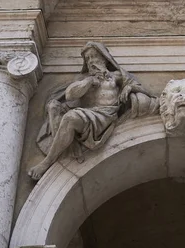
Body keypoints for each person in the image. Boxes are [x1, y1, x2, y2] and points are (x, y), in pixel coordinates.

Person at [30, 42, 158, 180]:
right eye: (88, 58)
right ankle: (48, 161)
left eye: (94, 57)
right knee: (66, 114)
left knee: (71, 117)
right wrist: (89, 81)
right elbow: (70, 95)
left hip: (106, 116)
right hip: (89, 115)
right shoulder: (83, 79)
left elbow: (144, 89)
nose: (91, 61)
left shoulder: (116, 76)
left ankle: (53, 156)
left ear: (104, 58)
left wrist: (129, 88)